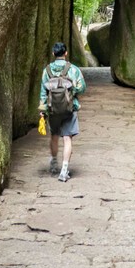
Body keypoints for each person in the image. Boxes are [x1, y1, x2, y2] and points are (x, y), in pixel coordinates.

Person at [39, 41, 86, 182]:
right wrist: (71, 90)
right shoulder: (73, 70)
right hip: (70, 109)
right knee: (67, 138)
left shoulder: (47, 71)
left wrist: (43, 111)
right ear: (66, 53)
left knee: (54, 136)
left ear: (53, 54)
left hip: (52, 109)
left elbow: (43, 92)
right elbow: (82, 88)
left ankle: (54, 163)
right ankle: (64, 170)